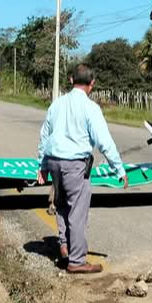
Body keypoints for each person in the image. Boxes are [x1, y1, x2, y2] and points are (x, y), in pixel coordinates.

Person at [36, 64, 128, 274]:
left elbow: (44, 136)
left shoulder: (56, 105)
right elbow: (104, 142)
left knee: (60, 205)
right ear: (92, 84)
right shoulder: (91, 108)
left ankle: (65, 247)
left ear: (70, 80)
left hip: (54, 162)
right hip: (75, 164)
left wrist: (42, 165)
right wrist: (119, 169)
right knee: (77, 211)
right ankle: (77, 261)